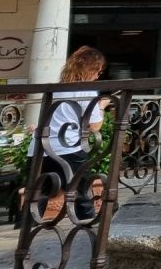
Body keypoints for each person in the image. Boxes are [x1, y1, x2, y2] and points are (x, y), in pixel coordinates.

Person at [35, 46, 108, 221]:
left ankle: (26, 231)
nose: (98, 76)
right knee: (82, 192)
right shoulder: (86, 91)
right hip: (68, 148)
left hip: (41, 147)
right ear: (91, 70)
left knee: (39, 193)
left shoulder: (56, 89)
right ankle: (87, 229)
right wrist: (102, 106)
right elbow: (95, 126)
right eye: (98, 72)